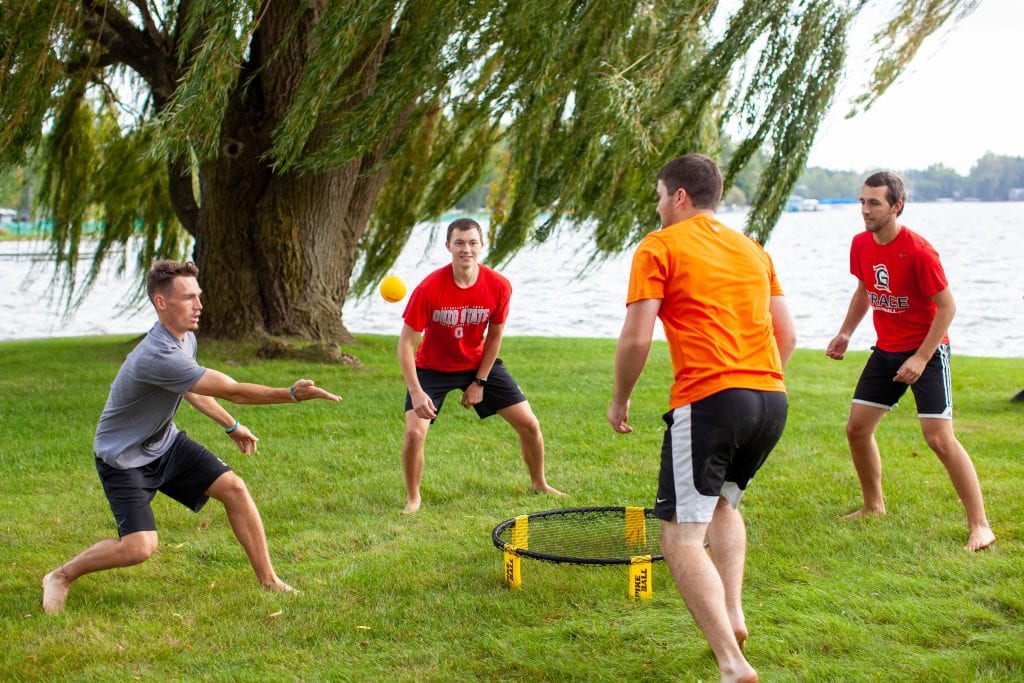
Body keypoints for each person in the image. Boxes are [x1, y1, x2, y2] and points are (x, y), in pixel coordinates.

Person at [41, 260, 341, 614]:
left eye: (198, 296)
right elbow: (233, 390)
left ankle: (269, 580)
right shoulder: (157, 354)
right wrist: (290, 393)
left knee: (234, 489)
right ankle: (60, 576)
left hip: (164, 442)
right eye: (188, 298)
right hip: (122, 457)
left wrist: (230, 425)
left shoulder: (185, 340)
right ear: (161, 302)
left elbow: (189, 389)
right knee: (139, 548)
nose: (199, 305)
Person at [608, 153, 796, 683]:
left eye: (659, 195)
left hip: (712, 400)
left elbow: (638, 335)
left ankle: (733, 665)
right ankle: (733, 615)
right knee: (721, 505)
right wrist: (758, 382)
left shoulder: (658, 245)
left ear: (680, 197)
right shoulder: (754, 249)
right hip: (770, 398)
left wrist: (620, 398)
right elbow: (788, 335)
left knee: (679, 536)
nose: (658, 206)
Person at [826, 171, 995, 552]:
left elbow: (947, 308)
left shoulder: (918, 251)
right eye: (862, 201)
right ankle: (874, 506)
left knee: (938, 439)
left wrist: (921, 357)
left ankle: (981, 526)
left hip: (928, 352)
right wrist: (846, 333)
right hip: (886, 351)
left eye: (874, 203)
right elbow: (865, 290)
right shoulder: (861, 244)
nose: (865, 210)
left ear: (896, 206)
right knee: (856, 429)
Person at [398, 217, 563, 514]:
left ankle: (539, 483)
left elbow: (496, 335)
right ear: (448, 246)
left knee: (529, 424)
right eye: (459, 243)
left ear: (482, 245)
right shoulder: (429, 289)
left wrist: (480, 382)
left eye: (472, 242)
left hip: (477, 364)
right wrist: (417, 391)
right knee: (414, 433)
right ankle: (413, 498)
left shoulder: (498, 286)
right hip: (432, 368)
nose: (466, 249)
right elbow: (406, 344)